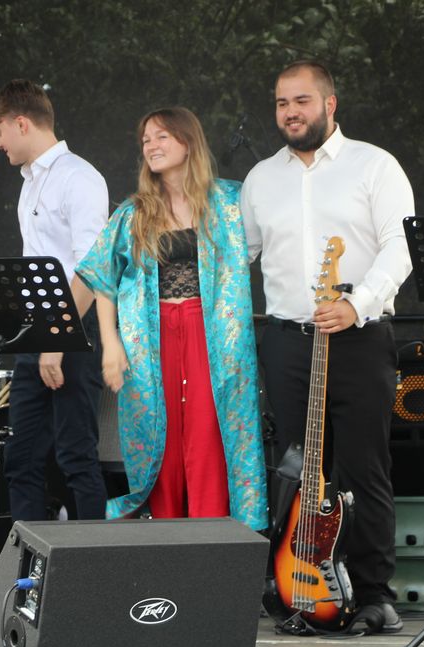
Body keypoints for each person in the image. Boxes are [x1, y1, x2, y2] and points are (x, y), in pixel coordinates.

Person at [241, 60, 414, 632]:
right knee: (297, 469)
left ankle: (373, 594)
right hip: (287, 343)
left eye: (302, 101)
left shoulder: (375, 165)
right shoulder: (261, 178)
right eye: (281, 103)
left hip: (359, 337)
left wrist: (357, 303)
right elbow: (238, 256)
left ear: (329, 104)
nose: (290, 112)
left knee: (364, 468)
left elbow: (400, 245)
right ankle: (299, 586)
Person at [77, 106, 267, 531]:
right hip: (152, 336)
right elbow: (103, 279)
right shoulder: (133, 213)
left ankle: (212, 540)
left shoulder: (231, 201)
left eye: (161, 136)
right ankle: (168, 540)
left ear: (187, 141)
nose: (151, 146)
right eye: (146, 139)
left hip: (211, 333)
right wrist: (111, 344)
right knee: (161, 438)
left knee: (207, 435)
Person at [0, 80, 109, 525]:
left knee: (75, 454)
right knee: (21, 457)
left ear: (22, 124)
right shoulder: (30, 182)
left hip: (72, 328)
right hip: (33, 329)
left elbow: (92, 268)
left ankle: (91, 561)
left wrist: (57, 337)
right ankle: (27, 563)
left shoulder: (79, 177)